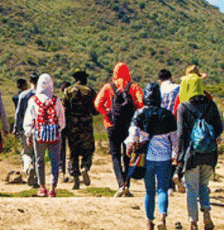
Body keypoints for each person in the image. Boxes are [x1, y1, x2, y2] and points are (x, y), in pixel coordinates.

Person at [175, 70, 223, 230]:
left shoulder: (183, 107)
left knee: (191, 189)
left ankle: (193, 222)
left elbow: (181, 134)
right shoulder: (211, 104)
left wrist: (179, 157)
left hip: (191, 155)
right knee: (203, 185)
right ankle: (207, 212)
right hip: (210, 154)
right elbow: (219, 128)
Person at [126, 82, 177, 230]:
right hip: (165, 158)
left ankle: (149, 222)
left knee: (149, 191)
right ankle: (162, 216)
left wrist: (130, 148)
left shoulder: (139, 114)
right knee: (162, 189)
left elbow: (133, 135)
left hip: (146, 158)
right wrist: (175, 154)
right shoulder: (167, 115)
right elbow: (175, 139)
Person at [95, 62, 145, 196]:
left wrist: (107, 112)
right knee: (127, 155)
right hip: (128, 125)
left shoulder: (108, 87)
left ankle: (120, 184)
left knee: (115, 155)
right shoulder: (133, 87)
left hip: (112, 124)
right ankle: (127, 184)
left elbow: (97, 104)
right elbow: (141, 103)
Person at [24, 73, 66, 197]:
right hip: (55, 135)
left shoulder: (33, 100)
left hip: (39, 135)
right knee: (55, 162)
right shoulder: (56, 100)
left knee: (39, 161)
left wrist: (28, 134)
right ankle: (53, 188)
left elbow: (29, 119)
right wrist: (58, 129)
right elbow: (61, 119)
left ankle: (42, 187)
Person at [64, 70, 97, 190]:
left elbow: (65, 109)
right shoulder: (91, 92)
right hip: (86, 126)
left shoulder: (68, 91)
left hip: (72, 127)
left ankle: (76, 180)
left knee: (73, 154)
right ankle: (85, 168)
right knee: (88, 151)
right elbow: (95, 111)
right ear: (85, 79)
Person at [158, 68, 185, 193]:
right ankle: (176, 176)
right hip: (176, 123)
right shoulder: (178, 88)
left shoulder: (158, 91)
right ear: (171, 78)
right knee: (176, 152)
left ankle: (168, 185)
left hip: (162, 125)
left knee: (165, 154)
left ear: (159, 80)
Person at [13, 72, 40, 187]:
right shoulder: (43, 95)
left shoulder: (23, 95)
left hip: (26, 128)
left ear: (30, 82)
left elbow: (18, 113)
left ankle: (29, 169)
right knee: (38, 155)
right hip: (40, 128)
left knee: (27, 153)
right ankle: (38, 179)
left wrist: (16, 128)